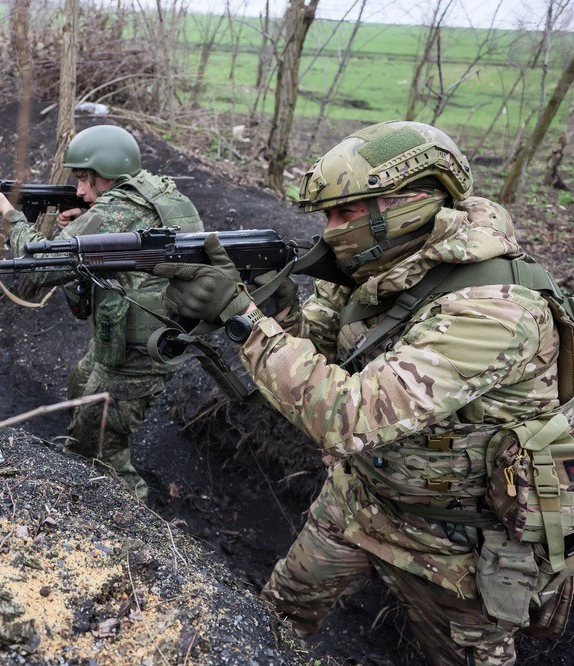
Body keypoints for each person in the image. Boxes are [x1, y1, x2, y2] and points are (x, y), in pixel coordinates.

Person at [155, 121, 572, 664]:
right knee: (271, 621)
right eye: (326, 215)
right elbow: (321, 361)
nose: (329, 231)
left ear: (410, 203)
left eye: (345, 212)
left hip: (456, 542)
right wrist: (278, 311)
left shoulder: (496, 309)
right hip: (360, 499)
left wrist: (244, 320)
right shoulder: (371, 268)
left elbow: (351, 416)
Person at [0, 124, 204, 499]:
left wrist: (9, 214)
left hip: (142, 348)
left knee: (98, 449)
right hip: (146, 331)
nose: (79, 191)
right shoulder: (154, 191)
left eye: (84, 180)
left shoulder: (119, 208)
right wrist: (80, 228)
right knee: (80, 384)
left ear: (108, 173)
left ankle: (134, 521)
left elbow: (42, 267)